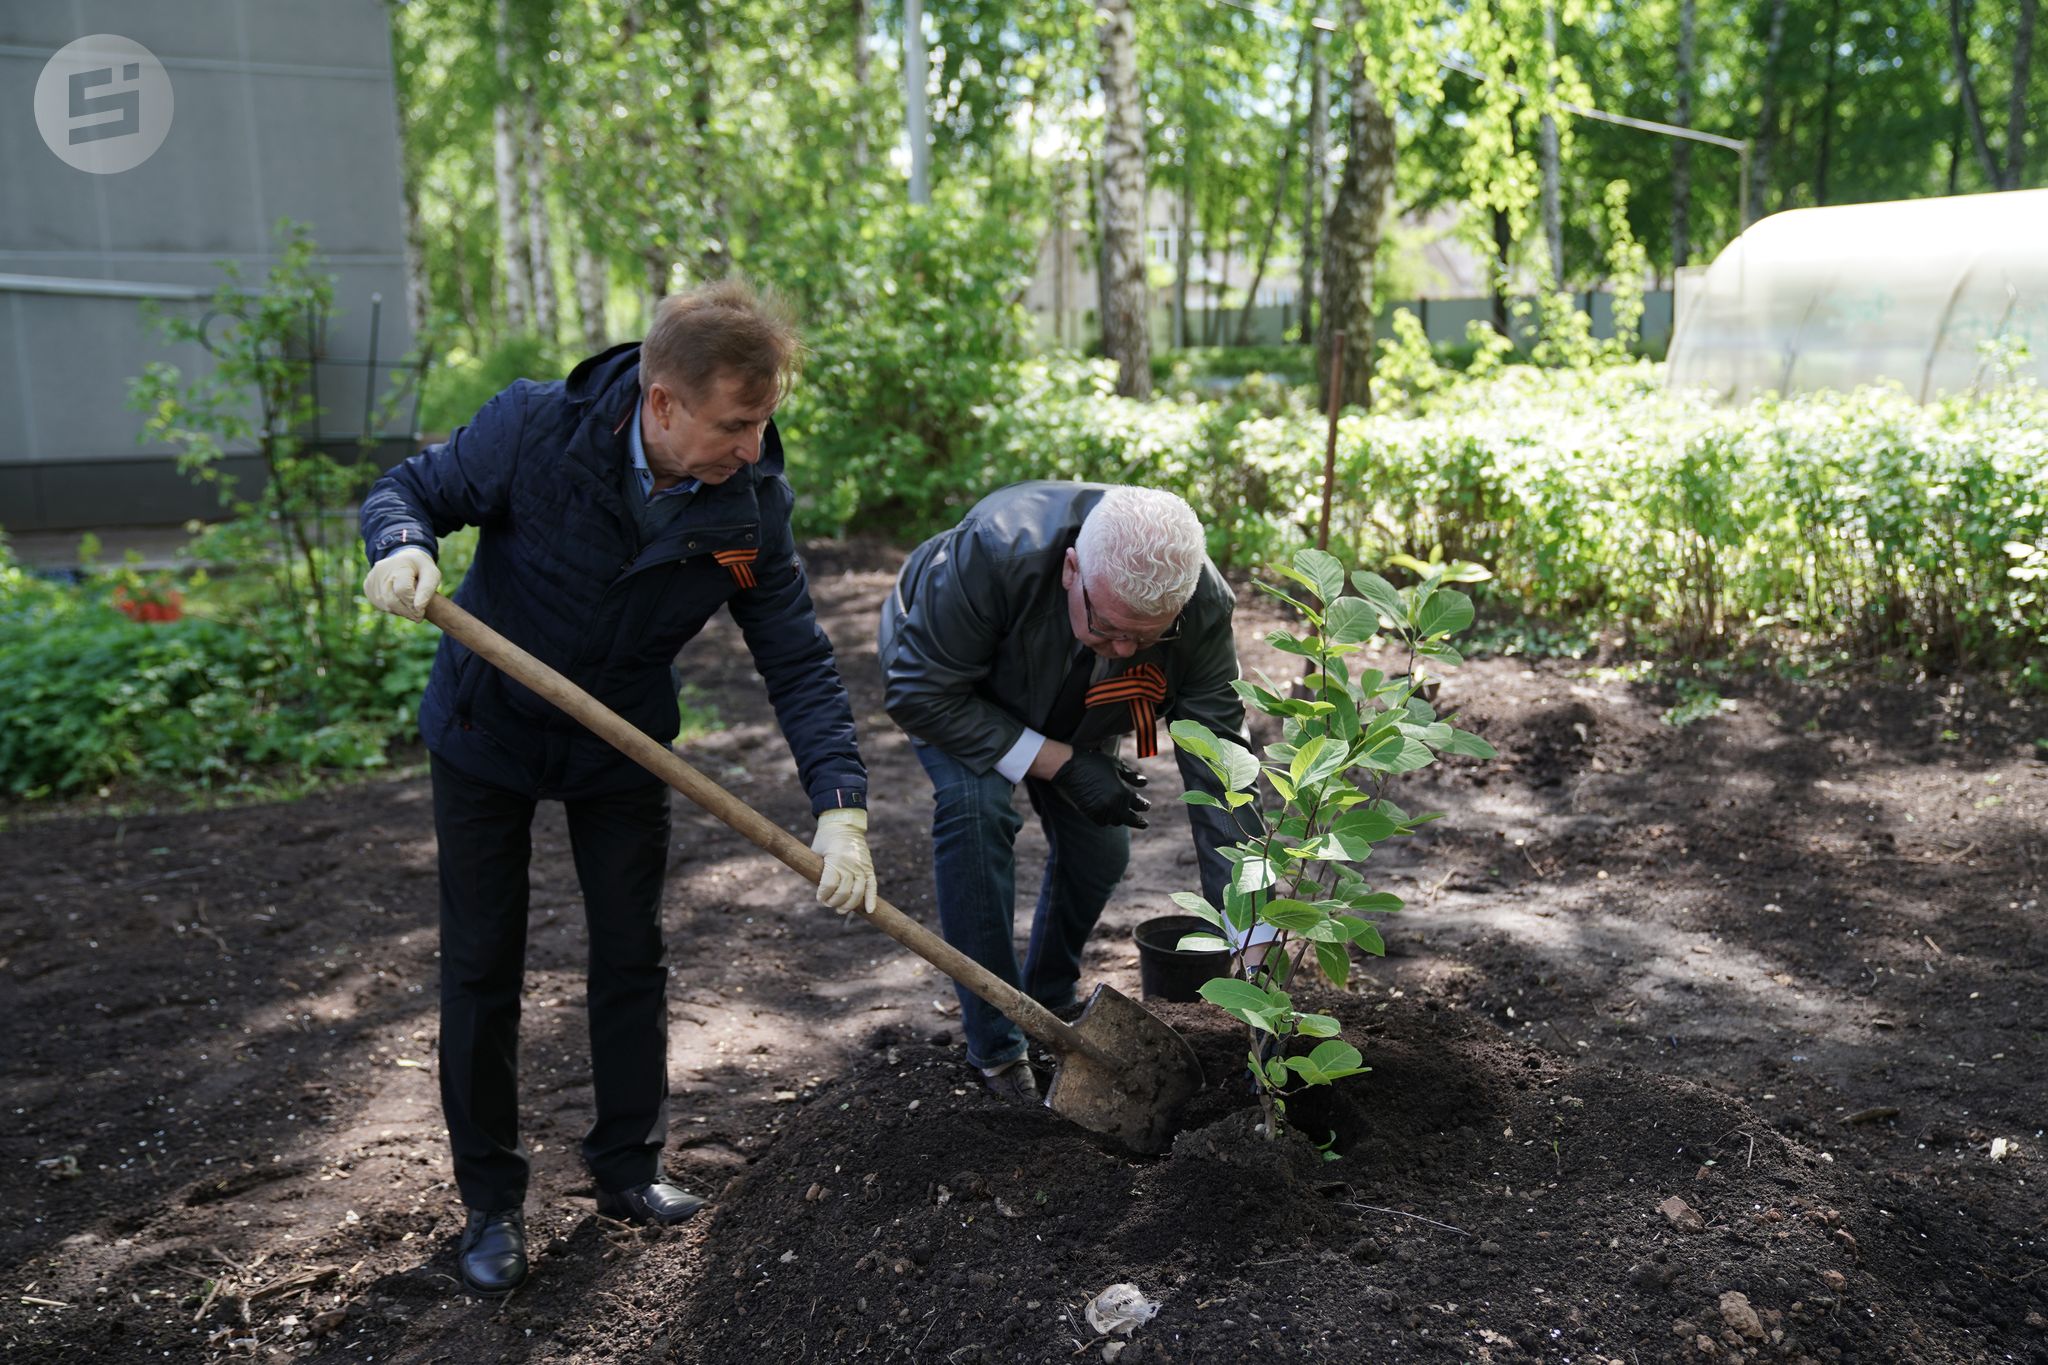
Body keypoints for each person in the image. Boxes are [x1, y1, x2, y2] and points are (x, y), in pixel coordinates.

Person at [358, 280, 876, 1294]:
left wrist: (841, 806)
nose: (751, 445)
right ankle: (491, 1203)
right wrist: (401, 546)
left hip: (622, 748)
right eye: (735, 424)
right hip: (485, 728)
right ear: (661, 404)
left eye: (764, 422)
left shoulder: (746, 508)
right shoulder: (533, 430)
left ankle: (628, 1168)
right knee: (480, 965)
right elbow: (405, 490)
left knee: (631, 954)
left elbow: (799, 661)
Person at [877, 482, 1268, 1101]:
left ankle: (1047, 1003)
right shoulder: (993, 552)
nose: (1123, 651)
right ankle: (998, 1047)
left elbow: (1224, 770)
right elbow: (920, 691)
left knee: (1101, 850)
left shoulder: (1198, 606)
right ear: (1071, 569)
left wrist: (1259, 946)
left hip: (1075, 698)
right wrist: (1061, 763)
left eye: (1146, 638)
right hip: (954, 684)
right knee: (975, 813)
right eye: (1109, 626)